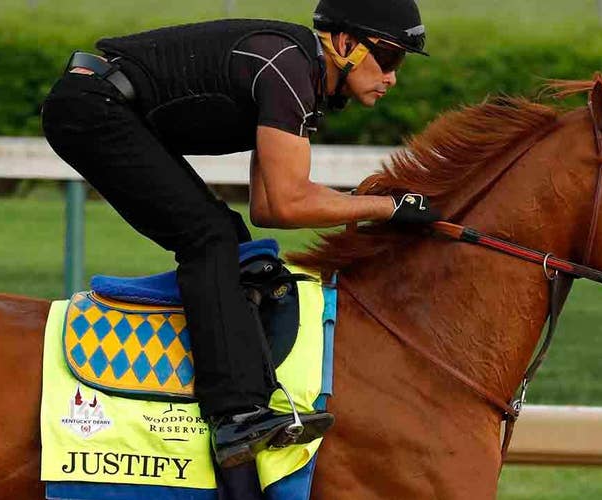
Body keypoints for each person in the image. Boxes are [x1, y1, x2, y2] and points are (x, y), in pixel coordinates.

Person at [40, 0, 438, 471]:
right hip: (93, 108)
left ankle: (233, 394)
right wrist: (389, 207)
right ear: (346, 43)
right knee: (209, 239)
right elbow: (290, 201)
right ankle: (234, 414)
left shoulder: (300, 75)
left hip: (102, 104)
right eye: (389, 58)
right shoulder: (288, 68)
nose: (393, 77)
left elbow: (268, 209)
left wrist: (382, 207)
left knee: (228, 234)